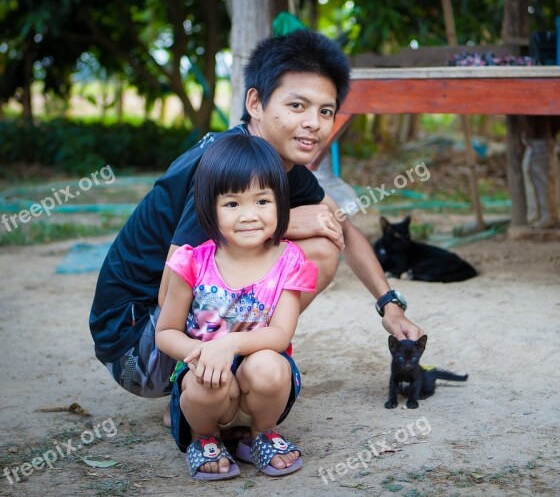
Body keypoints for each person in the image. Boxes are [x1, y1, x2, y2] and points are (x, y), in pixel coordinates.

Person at [89, 30, 423, 406]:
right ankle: (200, 392)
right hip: (137, 347)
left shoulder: (282, 165)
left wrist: (389, 305)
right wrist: (283, 225)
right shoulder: (223, 167)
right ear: (255, 103)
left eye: (325, 111)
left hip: (162, 331)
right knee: (318, 249)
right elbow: (174, 283)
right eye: (297, 105)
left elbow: (343, 226)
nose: (313, 122)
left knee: (327, 234)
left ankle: (235, 377)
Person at [156, 134, 312, 479]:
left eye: (262, 201)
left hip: (261, 377)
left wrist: (228, 345)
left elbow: (281, 332)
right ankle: (204, 437)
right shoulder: (191, 261)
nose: (249, 216)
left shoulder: (289, 260)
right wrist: (202, 354)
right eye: (232, 204)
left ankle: (264, 432)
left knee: (270, 366)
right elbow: (165, 332)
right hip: (207, 375)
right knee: (206, 381)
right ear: (208, 207)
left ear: (280, 202)